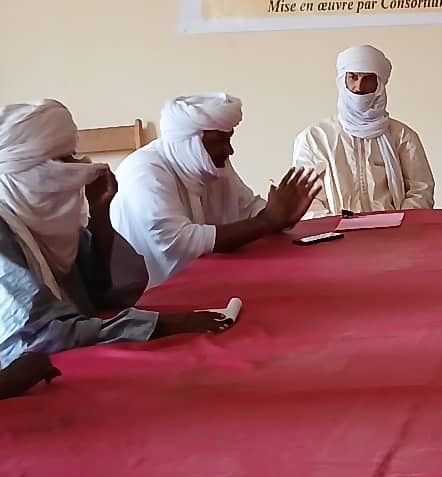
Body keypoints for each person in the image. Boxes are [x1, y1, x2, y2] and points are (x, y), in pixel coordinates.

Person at [0, 100, 231, 367]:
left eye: (74, 156)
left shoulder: (45, 222)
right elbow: (38, 337)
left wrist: (100, 216)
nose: (80, 168)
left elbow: (103, 295)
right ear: (24, 168)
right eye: (64, 160)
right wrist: (163, 324)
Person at [112, 94, 319, 287]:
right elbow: (177, 242)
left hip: (205, 283)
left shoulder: (210, 165)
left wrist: (282, 216)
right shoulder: (144, 171)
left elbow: (247, 208)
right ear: (190, 143)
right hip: (146, 297)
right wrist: (267, 220)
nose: (230, 150)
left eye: (229, 139)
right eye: (219, 142)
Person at [293, 45, 434, 215]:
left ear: (379, 84)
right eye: (353, 77)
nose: (359, 87)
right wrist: (335, 226)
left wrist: (400, 223)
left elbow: (421, 190)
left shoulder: (402, 136)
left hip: (395, 229)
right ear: (342, 80)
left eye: (367, 79)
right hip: (335, 229)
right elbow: (306, 200)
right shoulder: (315, 138)